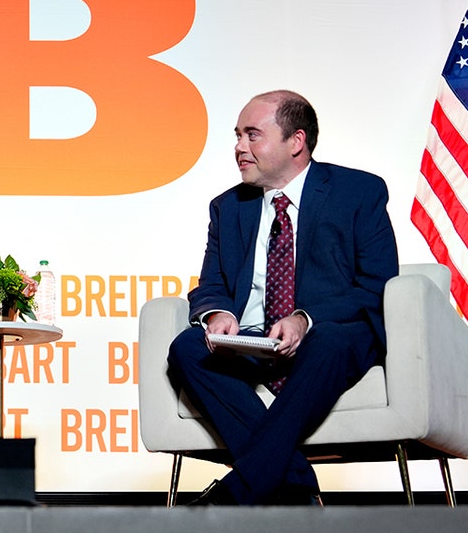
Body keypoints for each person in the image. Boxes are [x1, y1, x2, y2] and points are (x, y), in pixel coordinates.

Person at [167, 90, 397, 506]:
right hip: (254, 338)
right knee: (187, 347)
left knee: (326, 342)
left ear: (296, 141)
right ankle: (292, 482)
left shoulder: (358, 191)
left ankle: (236, 493)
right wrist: (217, 313)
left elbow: (377, 283)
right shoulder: (226, 207)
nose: (239, 147)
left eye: (252, 135)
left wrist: (304, 319)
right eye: (237, 136)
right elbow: (212, 283)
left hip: (329, 334)